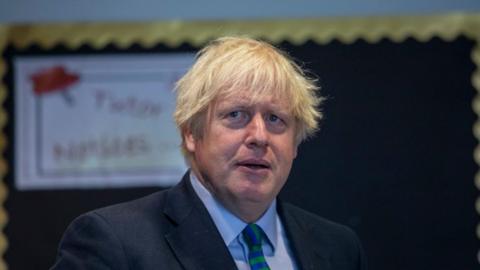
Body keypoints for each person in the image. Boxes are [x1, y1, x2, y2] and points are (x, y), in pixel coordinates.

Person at [50, 36, 367, 270]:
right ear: (191, 133)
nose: (259, 136)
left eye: (276, 119)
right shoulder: (112, 243)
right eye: (236, 115)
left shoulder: (338, 248)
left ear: (295, 143)